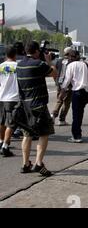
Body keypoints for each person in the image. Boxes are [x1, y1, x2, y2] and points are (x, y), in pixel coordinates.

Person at [16, 41, 57, 177]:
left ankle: (25, 163)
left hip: (25, 105)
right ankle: (38, 164)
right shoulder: (39, 64)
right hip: (38, 105)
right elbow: (54, 73)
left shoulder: (19, 65)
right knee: (44, 134)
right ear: (37, 52)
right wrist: (49, 61)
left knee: (27, 135)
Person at [60, 50, 88, 143]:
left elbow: (67, 80)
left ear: (71, 57)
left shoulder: (71, 66)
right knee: (80, 114)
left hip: (77, 92)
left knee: (76, 115)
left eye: (70, 57)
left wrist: (62, 91)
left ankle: (76, 136)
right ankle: (78, 133)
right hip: (86, 93)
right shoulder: (86, 64)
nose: (69, 58)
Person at [0, 46, 19, 157]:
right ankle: (5, 146)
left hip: (1, 96)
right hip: (13, 98)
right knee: (11, 123)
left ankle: (1, 141)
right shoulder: (18, 66)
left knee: (1, 121)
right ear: (15, 55)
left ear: (6, 55)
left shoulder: (0, 66)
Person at [52, 47, 73, 126]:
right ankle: (61, 119)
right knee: (66, 102)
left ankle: (53, 115)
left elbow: (55, 71)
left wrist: (56, 82)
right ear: (70, 53)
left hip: (59, 84)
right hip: (68, 84)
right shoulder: (71, 61)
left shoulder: (59, 61)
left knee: (59, 100)